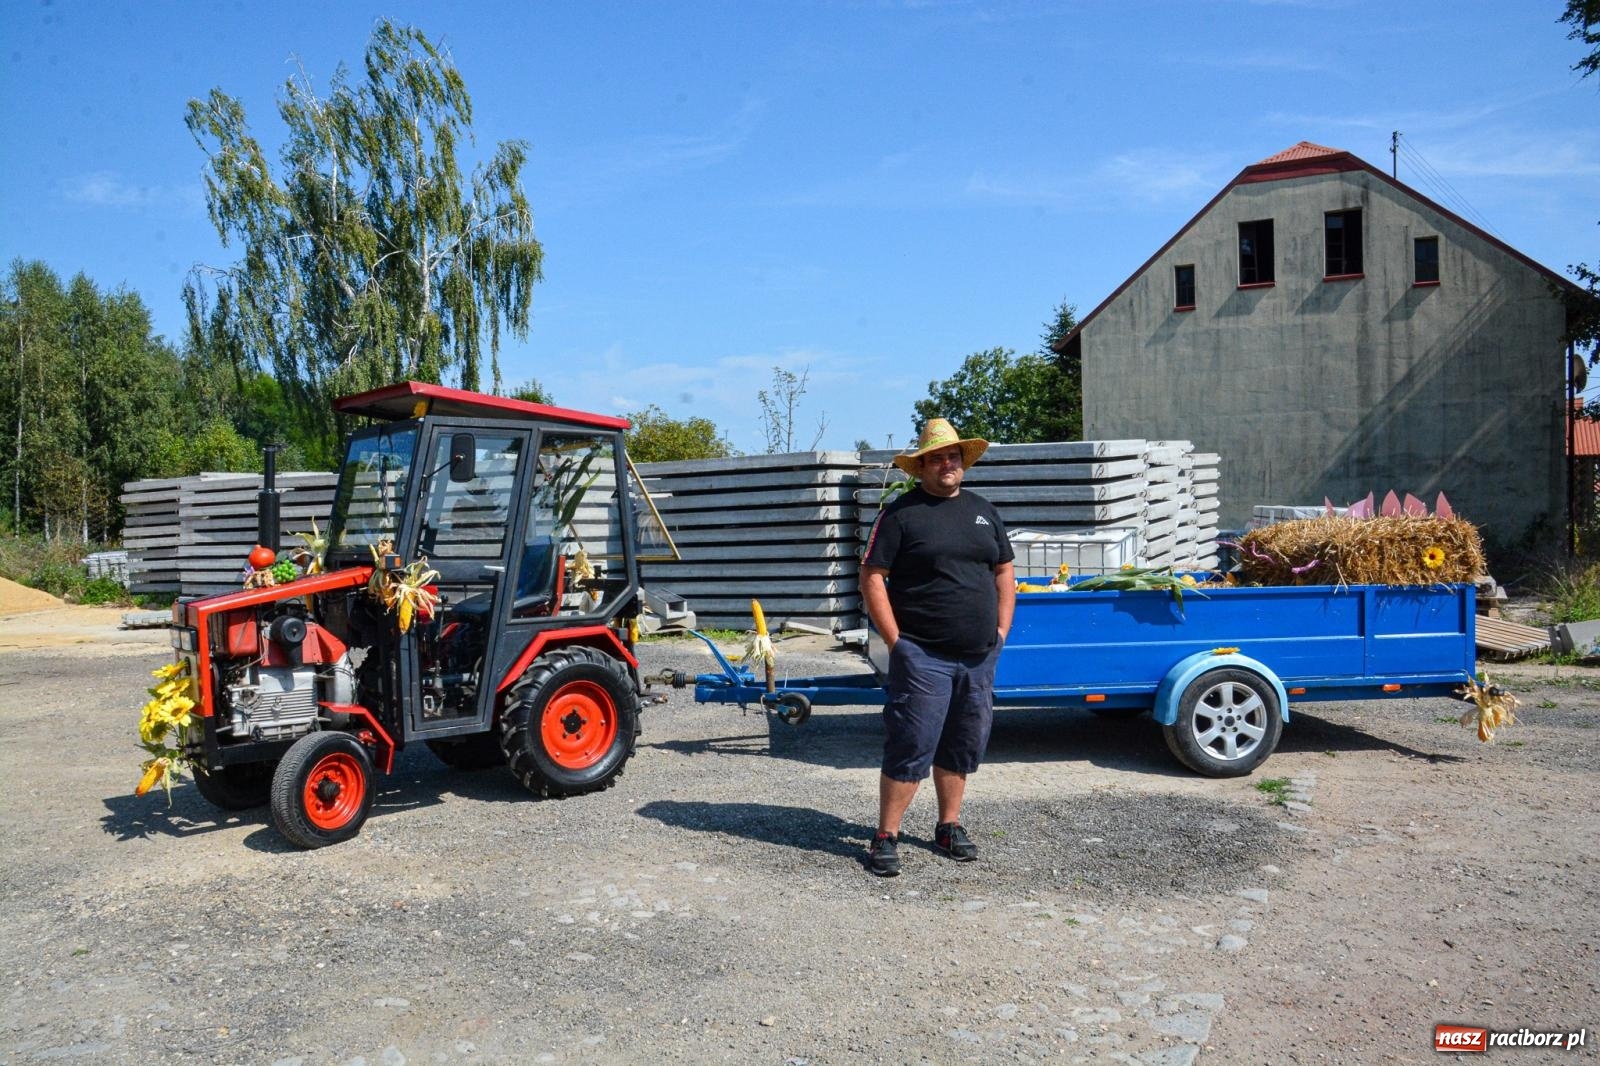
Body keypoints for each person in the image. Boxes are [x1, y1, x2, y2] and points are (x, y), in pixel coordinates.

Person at [859, 418, 1015, 877]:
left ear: (963, 462)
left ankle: (948, 826)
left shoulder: (983, 511)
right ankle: (886, 835)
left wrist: (1001, 630)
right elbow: (872, 577)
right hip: (923, 655)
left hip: (978, 655)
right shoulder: (901, 515)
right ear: (922, 466)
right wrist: (896, 643)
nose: (947, 464)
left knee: (963, 742)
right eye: (937, 458)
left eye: (953, 457)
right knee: (912, 742)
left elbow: (1004, 570)